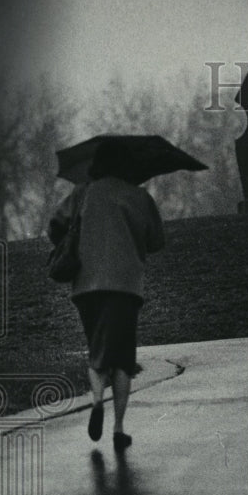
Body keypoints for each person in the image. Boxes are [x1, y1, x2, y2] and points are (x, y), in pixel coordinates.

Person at [48, 144, 165, 452]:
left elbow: (55, 226)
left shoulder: (83, 192)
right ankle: (118, 428)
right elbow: (156, 241)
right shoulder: (139, 197)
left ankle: (98, 400)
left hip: (86, 285)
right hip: (125, 285)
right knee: (123, 358)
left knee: (97, 348)